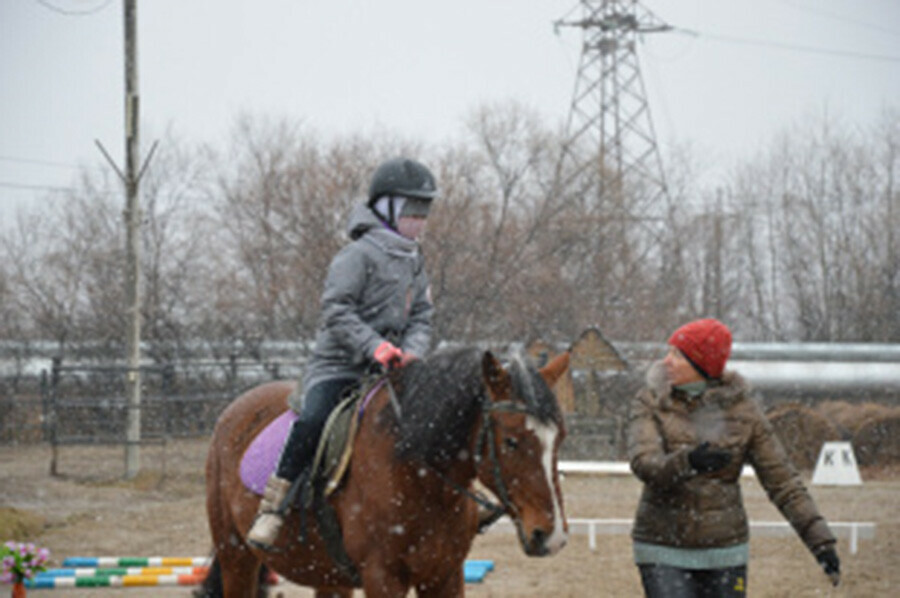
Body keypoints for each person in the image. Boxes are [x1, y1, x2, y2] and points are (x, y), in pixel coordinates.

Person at [247, 157, 437, 549]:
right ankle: (274, 507)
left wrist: (414, 351)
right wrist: (374, 346)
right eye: (412, 209)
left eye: (424, 210)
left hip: (393, 368)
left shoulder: (414, 259)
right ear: (385, 208)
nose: (419, 218)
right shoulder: (357, 255)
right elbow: (336, 309)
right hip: (340, 366)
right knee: (314, 419)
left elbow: (422, 314)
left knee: (438, 416)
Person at [627, 318, 841, 597]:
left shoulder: (745, 411)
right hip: (662, 549)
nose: (666, 361)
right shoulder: (650, 401)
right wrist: (687, 462)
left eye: (677, 355)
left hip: (726, 554)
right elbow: (643, 463)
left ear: (702, 364)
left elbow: (784, 483)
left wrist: (821, 543)